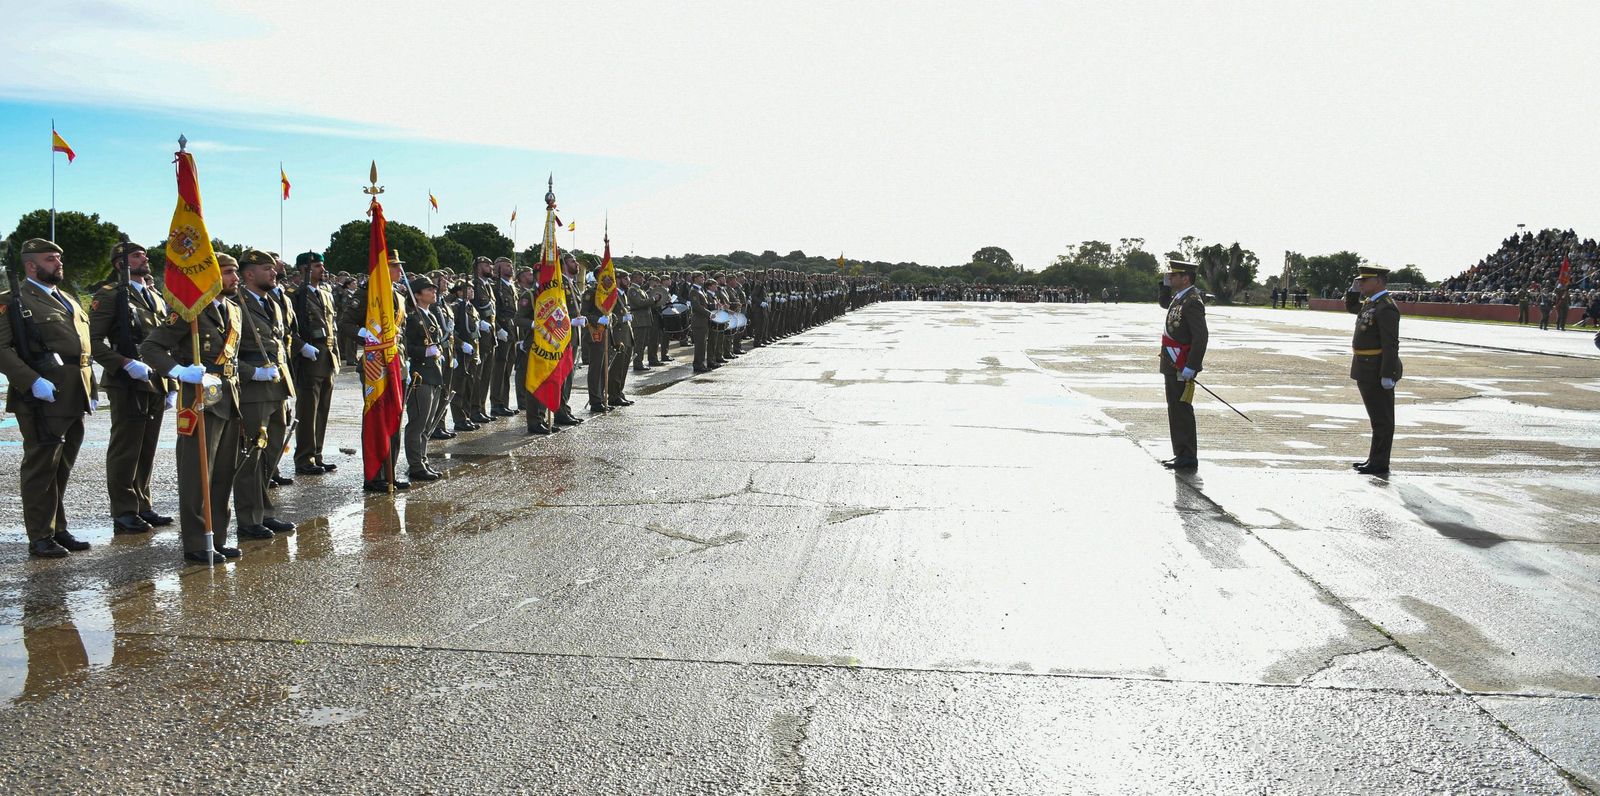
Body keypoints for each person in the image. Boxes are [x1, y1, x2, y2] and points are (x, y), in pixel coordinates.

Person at [140, 253, 244, 564]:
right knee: (197, 474)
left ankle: (218, 537)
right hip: (199, 399)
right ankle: (198, 542)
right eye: (227, 273)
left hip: (229, 397)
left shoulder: (234, 310)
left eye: (235, 273)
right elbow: (150, 347)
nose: (234, 279)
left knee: (224, 473)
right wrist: (178, 371)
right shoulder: (189, 312)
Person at [0, 239, 97, 558]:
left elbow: (83, 350)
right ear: (31, 265)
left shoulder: (67, 298)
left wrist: (91, 389)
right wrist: (31, 382)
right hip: (41, 395)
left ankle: (56, 527)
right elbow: (1, 349)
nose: (58, 263)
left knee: (62, 466)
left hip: (74, 393)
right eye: (50, 259)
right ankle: (40, 535)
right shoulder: (11, 301)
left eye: (59, 257)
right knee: (41, 467)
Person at [88, 239, 174, 534]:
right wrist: (124, 363)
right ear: (120, 264)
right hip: (127, 381)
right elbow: (94, 342)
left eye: (144, 254)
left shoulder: (154, 296)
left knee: (147, 447)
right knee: (126, 447)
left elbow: (164, 343)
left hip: (155, 380)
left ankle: (142, 504)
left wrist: (171, 381)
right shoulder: (110, 295)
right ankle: (124, 511)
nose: (144, 257)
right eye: (137, 255)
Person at [231, 250, 297, 540]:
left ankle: (265, 511)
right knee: (251, 457)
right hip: (253, 389)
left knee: (270, 455)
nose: (274, 273)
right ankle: (249, 518)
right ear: (249, 274)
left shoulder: (273, 302)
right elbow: (226, 350)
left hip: (277, 386)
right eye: (266, 269)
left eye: (273, 268)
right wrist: (251, 373)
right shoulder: (236, 303)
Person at [1345, 264, 1403, 476]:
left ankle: (1380, 462)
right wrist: (1352, 291)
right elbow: (1352, 308)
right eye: (1359, 280)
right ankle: (1374, 458)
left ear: (1378, 281)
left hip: (1376, 369)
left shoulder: (1386, 307)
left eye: (1364, 280)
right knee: (1376, 418)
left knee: (1383, 420)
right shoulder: (1372, 303)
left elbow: (1390, 344)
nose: (1360, 283)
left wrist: (1387, 374)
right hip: (1364, 368)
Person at [290, 251, 340, 475]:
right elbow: (288, 329)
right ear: (304, 270)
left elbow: (332, 325)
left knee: (322, 410)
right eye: (318, 266)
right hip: (309, 357)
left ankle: (317, 454)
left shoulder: (326, 294)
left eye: (322, 266)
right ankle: (304, 458)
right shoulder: (294, 295)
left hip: (326, 356)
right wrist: (301, 347)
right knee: (308, 411)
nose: (323, 270)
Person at [1158, 259, 1207, 471]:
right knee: (1175, 409)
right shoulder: (1180, 298)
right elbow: (1163, 303)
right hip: (1172, 362)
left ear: (1185, 278)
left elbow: (1201, 337)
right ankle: (1181, 453)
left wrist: (1192, 366)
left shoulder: (1192, 301)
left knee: (1181, 409)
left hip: (1181, 364)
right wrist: (1164, 285)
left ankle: (1187, 456)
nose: (1171, 277)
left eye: (1174, 275)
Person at [403, 278, 446, 481]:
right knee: (418, 423)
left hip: (434, 373)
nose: (433, 292)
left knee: (428, 423)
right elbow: (407, 348)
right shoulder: (412, 318)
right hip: (420, 374)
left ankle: (423, 459)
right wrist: (424, 351)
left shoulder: (431, 315)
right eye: (429, 289)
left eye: (434, 289)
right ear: (417, 294)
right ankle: (415, 465)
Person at [489, 256, 518, 417]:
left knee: (507, 369)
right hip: (502, 332)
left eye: (511, 265)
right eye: (506, 266)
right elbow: (494, 312)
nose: (510, 268)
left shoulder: (512, 287)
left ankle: (503, 402)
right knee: (499, 368)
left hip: (512, 331)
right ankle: (496, 403)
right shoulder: (496, 286)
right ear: (498, 268)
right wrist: (498, 329)